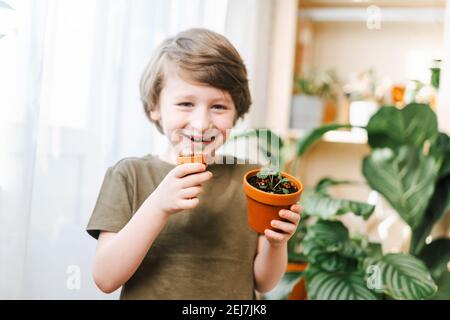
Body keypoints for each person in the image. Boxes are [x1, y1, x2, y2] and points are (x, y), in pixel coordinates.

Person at [86, 28, 302, 299]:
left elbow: (263, 283)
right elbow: (106, 278)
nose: (201, 123)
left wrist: (276, 243)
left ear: (237, 112)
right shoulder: (129, 175)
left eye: (219, 107)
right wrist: (158, 206)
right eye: (186, 103)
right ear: (155, 106)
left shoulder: (253, 179)